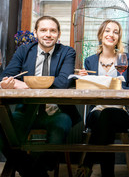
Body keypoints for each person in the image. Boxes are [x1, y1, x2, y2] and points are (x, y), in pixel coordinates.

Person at [0, 15, 81, 176]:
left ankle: (37, 169)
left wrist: (26, 84)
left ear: (58, 34)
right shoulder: (24, 51)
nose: (48, 34)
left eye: (53, 30)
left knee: (58, 134)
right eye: (43, 30)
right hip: (26, 110)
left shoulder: (67, 52)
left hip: (57, 112)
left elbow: (63, 83)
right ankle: (36, 173)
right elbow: (7, 76)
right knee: (3, 132)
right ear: (35, 33)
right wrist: (9, 83)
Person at [75, 20, 129, 177]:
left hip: (121, 111)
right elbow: (86, 92)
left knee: (107, 116)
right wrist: (84, 80)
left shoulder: (127, 59)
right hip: (96, 110)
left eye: (115, 32)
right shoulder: (90, 61)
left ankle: (87, 164)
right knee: (104, 120)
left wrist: (117, 87)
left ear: (119, 37)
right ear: (101, 35)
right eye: (107, 31)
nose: (111, 34)